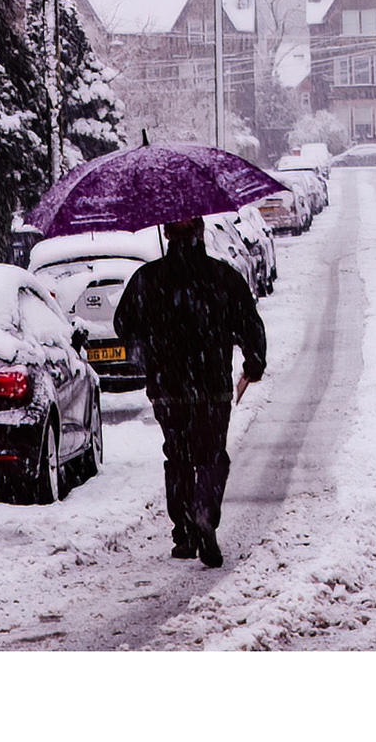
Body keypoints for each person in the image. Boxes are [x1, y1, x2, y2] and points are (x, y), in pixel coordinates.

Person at [113, 215, 267, 568]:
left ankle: (183, 530)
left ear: (166, 234)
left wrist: (148, 349)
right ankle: (204, 511)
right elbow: (248, 322)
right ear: (200, 233)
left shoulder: (147, 279)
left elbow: (123, 324)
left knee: (178, 457)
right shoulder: (223, 277)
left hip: (169, 389)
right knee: (212, 454)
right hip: (212, 387)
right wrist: (253, 361)